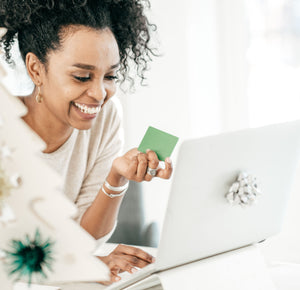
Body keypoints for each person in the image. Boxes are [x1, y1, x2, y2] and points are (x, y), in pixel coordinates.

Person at [0, 0, 173, 283]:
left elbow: (84, 240)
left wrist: (116, 177)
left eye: (110, 76)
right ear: (35, 69)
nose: (99, 93)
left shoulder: (105, 117)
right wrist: (82, 267)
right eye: (82, 77)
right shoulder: (5, 130)